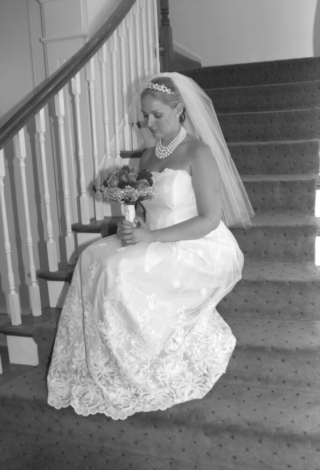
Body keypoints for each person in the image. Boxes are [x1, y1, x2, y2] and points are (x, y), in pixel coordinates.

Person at [47, 73, 254, 420]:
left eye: (157, 114)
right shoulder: (145, 157)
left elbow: (208, 219)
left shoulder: (198, 152)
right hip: (155, 237)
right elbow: (147, 211)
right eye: (145, 115)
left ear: (180, 109)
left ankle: (139, 361)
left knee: (117, 269)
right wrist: (136, 225)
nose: (149, 122)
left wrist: (151, 237)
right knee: (91, 257)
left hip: (197, 244)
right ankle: (101, 360)